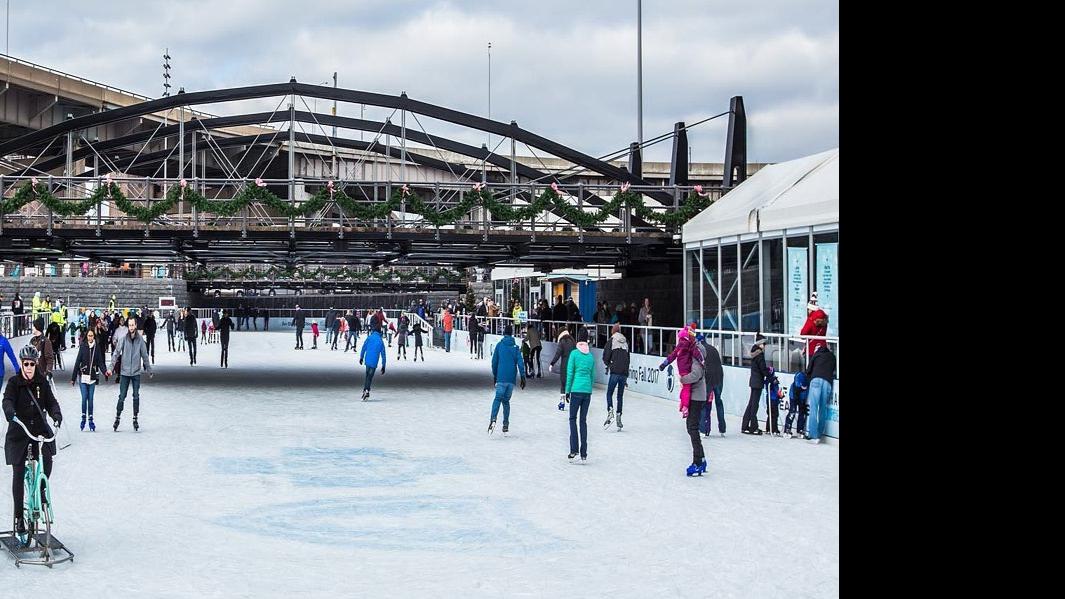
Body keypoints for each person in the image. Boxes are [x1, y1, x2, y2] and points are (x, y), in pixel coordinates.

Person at [4, 345, 62, 540]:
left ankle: (42, 490)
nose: (28, 367)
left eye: (32, 364)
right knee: (18, 473)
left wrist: (56, 414)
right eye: (25, 364)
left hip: (37, 429)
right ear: (21, 364)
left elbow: (51, 402)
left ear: (36, 364)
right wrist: (10, 412)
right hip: (20, 431)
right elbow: (7, 400)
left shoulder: (42, 382)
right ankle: (19, 518)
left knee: (47, 455)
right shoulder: (14, 383)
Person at [111, 316, 153, 432]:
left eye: (133, 325)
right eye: (129, 325)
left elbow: (145, 356)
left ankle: (135, 418)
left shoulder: (140, 341)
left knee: (136, 396)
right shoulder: (124, 339)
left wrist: (149, 370)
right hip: (124, 373)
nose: (131, 327)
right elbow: (116, 354)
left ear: (136, 325)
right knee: (122, 396)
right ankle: (117, 417)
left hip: (135, 373)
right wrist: (110, 368)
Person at [489, 325, 526, 434]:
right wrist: (523, 377)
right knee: (506, 401)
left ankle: (493, 420)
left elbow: (494, 362)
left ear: (504, 333)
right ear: (512, 334)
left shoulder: (500, 345)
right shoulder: (515, 347)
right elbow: (520, 362)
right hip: (511, 380)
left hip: (501, 377)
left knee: (497, 399)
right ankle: (505, 424)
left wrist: (495, 376)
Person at [70, 327, 109, 432]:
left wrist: (105, 372)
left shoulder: (97, 347)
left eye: (92, 336)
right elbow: (78, 362)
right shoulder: (83, 347)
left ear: (94, 337)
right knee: (84, 398)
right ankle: (83, 419)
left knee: (90, 399)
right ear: (86, 336)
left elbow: (100, 362)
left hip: (92, 377)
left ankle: (91, 419)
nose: (90, 337)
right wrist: (73, 378)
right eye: (88, 336)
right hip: (83, 377)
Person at [659, 328, 703, 419]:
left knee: (684, 388)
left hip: (682, 370)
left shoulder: (679, 345)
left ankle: (683, 405)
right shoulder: (690, 344)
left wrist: (664, 364)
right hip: (687, 369)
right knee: (687, 388)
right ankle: (685, 407)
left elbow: (672, 356)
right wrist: (702, 361)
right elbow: (696, 353)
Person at [681, 341, 709, 477]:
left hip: (697, 397)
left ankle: (697, 461)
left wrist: (683, 379)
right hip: (697, 396)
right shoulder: (697, 356)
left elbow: (696, 374)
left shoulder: (697, 358)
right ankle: (701, 459)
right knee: (691, 427)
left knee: (692, 428)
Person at [566, 329, 595, 461]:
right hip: (587, 391)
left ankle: (574, 450)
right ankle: (584, 452)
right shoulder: (590, 357)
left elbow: (570, 373)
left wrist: (567, 390)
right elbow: (592, 376)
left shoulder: (574, 354)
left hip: (576, 390)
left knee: (572, 418)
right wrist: (589, 388)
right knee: (583, 421)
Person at [804, 345, 836, 444]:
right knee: (823, 409)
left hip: (816, 380)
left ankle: (813, 435)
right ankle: (819, 434)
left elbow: (808, 370)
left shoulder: (816, 355)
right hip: (827, 382)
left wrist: (809, 379)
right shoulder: (832, 356)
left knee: (814, 408)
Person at [696, 333, 727, 437]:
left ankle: (703, 430)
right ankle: (722, 429)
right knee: (719, 402)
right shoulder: (713, 348)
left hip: (708, 379)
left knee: (703, 403)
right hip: (719, 377)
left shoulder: (700, 350)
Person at [742, 333, 770, 435]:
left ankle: (745, 426)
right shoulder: (759, 355)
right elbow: (763, 369)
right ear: (760, 344)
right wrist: (770, 376)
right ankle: (753, 427)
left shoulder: (755, 353)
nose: (765, 346)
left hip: (754, 381)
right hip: (757, 382)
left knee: (751, 404)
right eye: (764, 344)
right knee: (754, 405)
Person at [603, 325, 629, 430]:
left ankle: (610, 411)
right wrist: (626, 375)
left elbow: (605, 356)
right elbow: (628, 359)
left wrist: (609, 364)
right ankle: (619, 415)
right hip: (623, 373)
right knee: (620, 396)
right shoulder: (626, 342)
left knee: (609, 393)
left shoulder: (611, 340)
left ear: (613, 331)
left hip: (615, 372)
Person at [359, 325, 387, 400]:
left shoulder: (369, 337)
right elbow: (383, 354)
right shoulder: (380, 340)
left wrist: (361, 357)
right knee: (369, 377)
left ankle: (366, 390)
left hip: (367, 360)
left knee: (367, 376)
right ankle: (366, 390)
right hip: (374, 362)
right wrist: (383, 365)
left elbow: (363, 347)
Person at [550, 328, 576, 409]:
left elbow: (558, 354)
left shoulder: (562, 342)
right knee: (572, 383)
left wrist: (552, 363)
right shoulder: (572, 341)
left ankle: (562, 403)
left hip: (565, 365)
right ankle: (573, 402)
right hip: (573, 365)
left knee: (563, 384)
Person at [783, 371, 809, 439]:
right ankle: (787, 429)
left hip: (802, 397)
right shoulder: (796, 385)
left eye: (805, 387)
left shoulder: (806, 385)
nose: (804, 388)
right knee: (792, 412)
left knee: (802, 412)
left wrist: (803, 404)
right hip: (793, 396)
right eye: (803, 387)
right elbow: (794, 394)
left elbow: (804, 393)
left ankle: (800, 429)